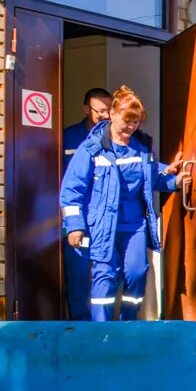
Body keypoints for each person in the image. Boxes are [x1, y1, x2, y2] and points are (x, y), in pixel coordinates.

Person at [60, 86, 186, 322]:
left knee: (137, 273)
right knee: (104, 276)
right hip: (102, 225)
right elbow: (71, 188)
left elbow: (151, 177)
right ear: (113, 115)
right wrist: (74, 225)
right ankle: (101, 330)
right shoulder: (92, 147)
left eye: (136, 122)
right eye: (127, 121)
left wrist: (175, 181)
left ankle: (127, 323)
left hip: (134, 225)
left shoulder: (141, 147)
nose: (131, 127)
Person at [60, 88, 113, 320]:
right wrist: (72, 221)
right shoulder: (67, 137)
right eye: (100, 110)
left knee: (106, 277)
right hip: (77, 219)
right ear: (86, 110)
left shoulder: (117, 139)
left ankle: (103, 331)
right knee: (79, 276)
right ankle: (80, 328)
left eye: (109, 110)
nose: (105, 115)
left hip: (105, 219)